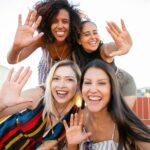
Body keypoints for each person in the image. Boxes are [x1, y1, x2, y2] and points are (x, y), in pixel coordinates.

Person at [7, 0, 132, 85]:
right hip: (45, 89)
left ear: (71, 24)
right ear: (48, 24)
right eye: (55, 21)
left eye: (65, 21)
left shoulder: (75, 41)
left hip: (69, 91)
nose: (60, 26)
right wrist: (16, 47)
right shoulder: (43, 40)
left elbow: (104, 49)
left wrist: (118, 46)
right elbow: (13, 60)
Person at [63, 59, 150, 150]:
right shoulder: (80, 116)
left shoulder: (127, 126)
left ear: (112, 89)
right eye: (88, 83)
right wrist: (72, 145)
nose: (92, 90)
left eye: (101, 83)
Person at [0, 60, 81, 149]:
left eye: (69, 79)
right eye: (56, 78)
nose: (61, 85)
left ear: (77, 85)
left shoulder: (75, 114)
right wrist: (3, 103)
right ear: (50, 82)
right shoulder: (39, 94)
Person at [73, 20, 136, 108]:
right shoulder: (75, 55)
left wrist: (118, 46)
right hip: (104, 86)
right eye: (87, 34)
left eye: (95, 33)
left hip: (124, 83)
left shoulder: (102, 50)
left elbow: (108, 48)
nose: (93, 37)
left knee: (119, 118)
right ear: (79, 40)